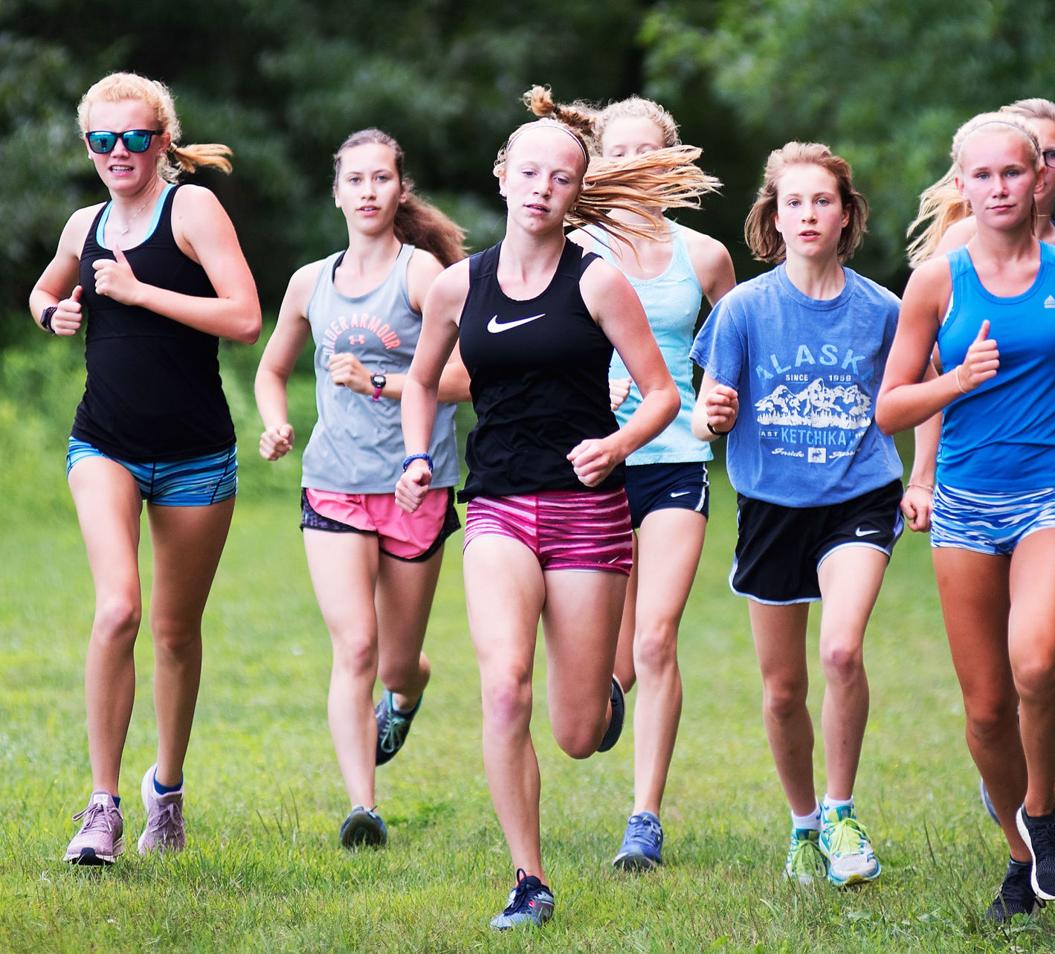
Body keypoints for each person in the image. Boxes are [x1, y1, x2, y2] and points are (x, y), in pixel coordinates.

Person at [394, 85, 721, 929]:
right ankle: (528, 880)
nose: (542, 187)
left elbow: (659, 395)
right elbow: (424, 381)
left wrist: (616, 447)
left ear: (577, 193)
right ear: (502, 176)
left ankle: (603, 701)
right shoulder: (458, 289)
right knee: (503, 689)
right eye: (529, 171)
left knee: (576, 731)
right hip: (498, 506)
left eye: (561, 177)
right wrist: (414, 455)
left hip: (587, 515)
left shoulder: (599, 282)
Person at [877, 111, 1055, 921]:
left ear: (1040, 180)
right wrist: (957, 381)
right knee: (987, 707)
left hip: (1052, 493)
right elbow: (890, 406)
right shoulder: (936, 281)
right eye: (982, 175)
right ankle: (1022, 852)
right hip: (963, 506)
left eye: (1014, 173)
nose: (999, 188)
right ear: (961, 185)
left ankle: (1043, 806)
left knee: (1037, 662)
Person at [28, 72, 261, 865]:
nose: (118, 152)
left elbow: (244, 317)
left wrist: (137, 289)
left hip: (199, 456)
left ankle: (168, 787)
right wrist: (51, 311)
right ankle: (102, 806)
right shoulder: (83, 222)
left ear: (163, 139)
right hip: (105, 444)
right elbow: (44, 290)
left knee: (173, 631)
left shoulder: (191, 208)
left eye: (134, 137)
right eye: (102, 139)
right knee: (118, 610)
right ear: (88, 144)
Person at [691, 142, 916, 890]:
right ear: (774, 216)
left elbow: (917, 396)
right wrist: (713, 416)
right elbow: (707, 411)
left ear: (846, 213)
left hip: (859, 495)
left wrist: (926, 475)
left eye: (823, 200)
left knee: (842, 652)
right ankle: (804, 825)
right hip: (771, 508)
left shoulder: (884, 311)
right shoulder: (744, 311)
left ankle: (843, 807)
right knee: (784, 689)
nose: (808, 213)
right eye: (794, 201)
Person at [254, 129, 470, 847]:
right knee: (355, 646)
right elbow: (271, 368)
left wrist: (379, 379)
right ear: (337, 190)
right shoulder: (310, 282)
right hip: (334, 484)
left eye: (383, 179)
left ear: (399, 189)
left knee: (395, 661)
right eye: (357, 179)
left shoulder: (422, 275)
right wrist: (276, 423)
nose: (370, 191)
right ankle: (363, 809)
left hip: (416, 486)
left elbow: (466, 379)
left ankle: (407, 692)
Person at [567, 95, 735, 870]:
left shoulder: (703, 258)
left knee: (656, 635)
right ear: (599, 161)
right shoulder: (571, 248)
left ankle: (645, 817)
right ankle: (602, 695)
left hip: (674, 465)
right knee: (608, 666)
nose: (633, 164)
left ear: (672, 161)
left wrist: (720, 404)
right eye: (619, 152)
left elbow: (734, 355)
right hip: (589, 466)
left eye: (649, 151)